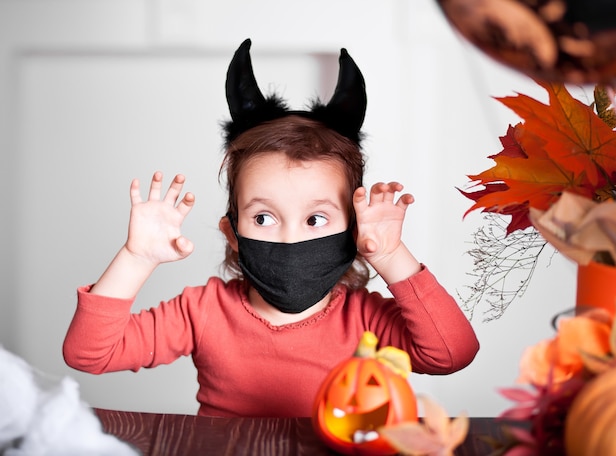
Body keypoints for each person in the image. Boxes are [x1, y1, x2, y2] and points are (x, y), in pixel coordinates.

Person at [63, 39, 479, 418]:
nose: (290, 238)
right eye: (263, 218)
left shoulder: (365, 319)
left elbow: (451, 353)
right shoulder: (204, 311)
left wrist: (390, 256)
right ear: (232, 232)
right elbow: (89, 355)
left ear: (353, 232)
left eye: (316, 219)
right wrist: (136, 259)